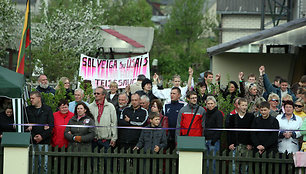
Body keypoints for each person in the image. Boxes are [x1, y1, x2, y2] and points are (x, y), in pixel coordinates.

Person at [25, 91, 54, 174]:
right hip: (31, 140)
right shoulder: (28, 110)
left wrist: (41, 136)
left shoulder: (47, 109)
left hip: (44, 141)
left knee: (44, 165)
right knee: (32, 165)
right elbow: (25, 124)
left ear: (39, 98)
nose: (31, 100)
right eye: (30, 98)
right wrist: (34, 136)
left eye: (33, 98)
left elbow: (51, 125)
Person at [227, 98, 254, 174]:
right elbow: (229, 132)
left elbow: (252, 131)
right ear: (238, 106)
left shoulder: (251, 117)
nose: (244, 107)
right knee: (234, 168)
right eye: (242, 105)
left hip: (247, 146)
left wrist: (251, 143)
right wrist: (230, 143)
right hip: (236, 145)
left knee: (245, 169)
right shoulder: (233, 117)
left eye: (246, 105)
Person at [89, 86, 117, 152]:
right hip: (94, 139)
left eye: (98, 93)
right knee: (94, 160)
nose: (96, 95)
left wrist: (114, 138)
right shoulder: (90, 107)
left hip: (106, 140)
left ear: (103, 95)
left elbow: (114, 123)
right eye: (95, 93)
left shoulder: (110, 107)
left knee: (106, 161)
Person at [204, 96, 223, 174]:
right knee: (207, 163)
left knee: (213, 163)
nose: (210, 105)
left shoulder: (218, 113)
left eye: (212, 103)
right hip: (205, 140)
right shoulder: (206, 114)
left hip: (214, 142)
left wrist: (214, 140)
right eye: (208, 103)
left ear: (215, 104)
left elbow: (220, 128)